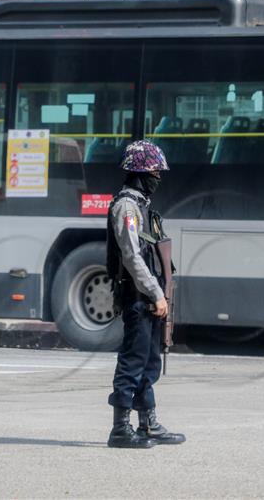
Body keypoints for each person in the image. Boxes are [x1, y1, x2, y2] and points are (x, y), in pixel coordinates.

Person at [105, 140, 186, 449]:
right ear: (139, 172)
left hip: (148, 298)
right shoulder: (127, 206)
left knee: (150, 361)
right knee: (133, 360)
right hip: (138, 296)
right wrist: (156, 293)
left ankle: (147, 423)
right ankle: (120, 428)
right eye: (154, 171)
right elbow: (131, 257)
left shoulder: (142, 206)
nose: (158, 177)